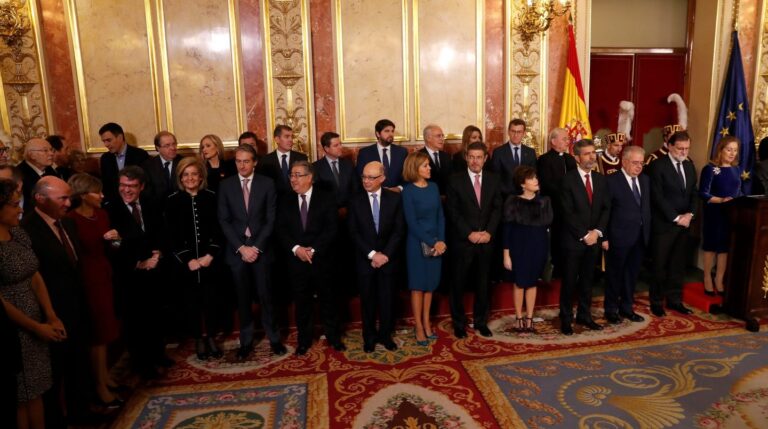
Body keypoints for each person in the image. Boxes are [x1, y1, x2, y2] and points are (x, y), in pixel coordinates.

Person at [21, 177, 89, 425]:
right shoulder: (27, 229)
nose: (69, 203)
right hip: (51, 314)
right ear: (41, 199)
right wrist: (49, 315)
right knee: (55, 375)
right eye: (62, 198)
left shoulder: (67, 224)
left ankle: (80, 414)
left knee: (77, 369)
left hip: (77, 310)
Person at [0, 178, 62, 429]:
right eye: (14, 205)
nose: (20, 209)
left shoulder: (18, 232)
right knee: (20, 397)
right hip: (12, 331)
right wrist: (35, 328)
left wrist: (50, 315)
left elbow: (35, 274)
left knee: (37, 389)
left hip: (38, 323)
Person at [217, 145, 286, 359]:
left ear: (254, 162)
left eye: (246, 161)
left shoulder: (267, 184)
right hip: (237, 252)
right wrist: (241, 248)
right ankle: (246, 341)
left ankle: (274, 338)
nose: (242, 165)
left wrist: (255, 247)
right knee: (243, 298)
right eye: (238, 161)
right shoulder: (226, 185)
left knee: (266, 296)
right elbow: (224, 220)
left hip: (261, 250)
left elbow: (270, 219)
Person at [105, 166, 169, 378]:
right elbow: (112, 248)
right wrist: (138, 263)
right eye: (123, 185)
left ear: (141, 187)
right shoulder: (110, 210)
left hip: (154, 270)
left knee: (156, 316)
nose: (126, 190)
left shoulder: (151, 204)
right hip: (129, 275)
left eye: (132, 186)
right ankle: (143, 365)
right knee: (136, 323)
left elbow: (160, 232)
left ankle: (159, 355)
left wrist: (158, 255)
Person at [65, 173, 122, 406]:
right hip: (87, 279)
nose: (101, 196)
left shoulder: (102, 214)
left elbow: (115, 248)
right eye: (96, 192)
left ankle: (105, 375)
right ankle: (98, 384)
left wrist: (116, 239)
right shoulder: (70, 220)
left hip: (105, 275)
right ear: (83, 196)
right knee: (97, 333)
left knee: (107, 329)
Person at [277, 161, 343, 355]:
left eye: (298, 175)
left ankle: (333, 338)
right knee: (302, 302)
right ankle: (304, 340)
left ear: (310, 177)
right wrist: (297, 249)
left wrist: (313, 249)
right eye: (291, 175)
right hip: (297, 261)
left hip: (322, 259)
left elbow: (332, 229)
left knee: (328, 300)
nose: (293, 179)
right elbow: (280, 229)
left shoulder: (327, 198)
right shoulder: (285, 199)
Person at [166, 158, 224, 360]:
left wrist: (210, 255)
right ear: (180, 178)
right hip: (186, 264)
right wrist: (189, 259)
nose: (190, 178)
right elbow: (171, 236)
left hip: (210, 260)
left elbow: (219, 230)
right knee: (191, 302)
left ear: (201, 177)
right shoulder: (172, 200)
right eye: (186, 175)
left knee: (211, 300)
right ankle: (198, 337)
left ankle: (210, 337)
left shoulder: (211, 197)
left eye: (194, 174)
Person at [445, 142, 501, 339]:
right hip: (463, 241)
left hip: (486, 241)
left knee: (483, 284)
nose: (475, 161)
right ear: (466, 158)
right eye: (472, 157)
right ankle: (459, 324)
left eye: (479, 157)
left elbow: (497, 209)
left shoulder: (494, 180)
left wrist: (489, 232)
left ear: (485, 159)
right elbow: (452, 211)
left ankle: (481, 321)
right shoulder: (455, 180)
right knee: (458, 283)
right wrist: (469, 233)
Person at [348, 161, 405, 352]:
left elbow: (399, 230)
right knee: (368, 301)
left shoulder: (394, 199)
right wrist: (372, 254)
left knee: (388, 300)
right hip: (366, 260)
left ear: (382, 178)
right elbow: (353, 232)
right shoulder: (355, 200)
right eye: (364, 176)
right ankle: (369, 337)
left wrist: (385, 254)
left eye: (371, 177)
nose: (366, 181)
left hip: (388, 260)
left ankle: (386, 336)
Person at [558, 139, 610, 335]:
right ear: (577, 157)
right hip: (574, 240)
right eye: (587, 154)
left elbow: (606, 208)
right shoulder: (567, 180)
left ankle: (584, 315)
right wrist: (583, 234)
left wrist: (597, 232)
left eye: (593, 153)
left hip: (594, 239)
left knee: (588, 280)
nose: (591, 157)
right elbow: (567, 212)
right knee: (570, 280)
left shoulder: (600, 179)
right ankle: (565, 318)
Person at [647, 131, 697, 317]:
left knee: (678, 265)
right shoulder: (657, 166)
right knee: (660, 265)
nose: (683, 152)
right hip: (664, 225)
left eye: (687, 148)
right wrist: (677, 218)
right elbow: (657, 197)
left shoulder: (690, 166)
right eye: (680, 148)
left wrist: (690, 214)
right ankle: (657, 301)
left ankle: (675, 300)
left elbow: (694, 193)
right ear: (669, 146)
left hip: (684, 225)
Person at [401, 151, 446, 345]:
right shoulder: (409, 190)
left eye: (429, 165)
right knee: (418, 286)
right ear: (415, 168)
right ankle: (418, 326)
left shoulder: (434, 187)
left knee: (430, 285)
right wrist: (431, 241)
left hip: (437, 242)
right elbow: (411, 222)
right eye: (425, 165)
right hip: (417, 243)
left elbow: (440, 216)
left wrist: (441, 241)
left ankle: (427, 322)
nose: (429, 168)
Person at [603, 146, 650, 324]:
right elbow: (605, 211)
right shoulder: (611, 181)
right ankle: (611, 309)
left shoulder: (645, 180)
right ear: (624, 162)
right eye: (635, 163)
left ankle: (627, 308)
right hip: (618, 237)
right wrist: (604, 237)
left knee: (632, 274)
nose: (639, 167)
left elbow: (645, 209)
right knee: (615, 274)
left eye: (641, 163)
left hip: (639, 237)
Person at [502, 166, 552, 333]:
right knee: (520, 283)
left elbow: (548, 227)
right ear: (522, 184)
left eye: (536, 177)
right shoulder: (512, 201)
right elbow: (507, 230)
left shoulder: (545, 201)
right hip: (519, 247)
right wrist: (506, 255)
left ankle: (529, 319)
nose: (536, 180)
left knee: (532, 282)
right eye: (531, 178)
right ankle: (518, 318)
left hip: (538, 246)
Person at [699, 136, 743, 296]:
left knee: (724, 248)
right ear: (721, 150)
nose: (732, 153)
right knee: (711, 246)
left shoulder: (736, 169)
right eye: (729, 149)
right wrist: (722, 200)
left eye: (735, 150)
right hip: (715, 213)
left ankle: (719, 279)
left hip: (731, 214)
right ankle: (707, 278)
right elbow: (703, 193)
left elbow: (738, 192)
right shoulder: (710, 169)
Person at [536, 127, 577, 277]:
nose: (568, 141)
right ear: (553, 141)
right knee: (555, 240)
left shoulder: (570, 159)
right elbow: (546, 184)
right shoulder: (544, 159)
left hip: (570, 208)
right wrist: (565, 195)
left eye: (568, 139)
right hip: (553, 207)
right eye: (564, 139)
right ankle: (553, 271)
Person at [99, 123, 149, 204]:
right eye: (104, 141)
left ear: (120, 137)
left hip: (137, 201)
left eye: (108, 140)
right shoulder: (105, 158)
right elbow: (106, 186)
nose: (106, 145)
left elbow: (145, 183)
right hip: (115, 203)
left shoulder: (140, 155)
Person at [356, 119, 408, 191]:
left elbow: (408, 175)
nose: (391, 134)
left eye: (392, 131)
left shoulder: (402, 152)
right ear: (378, 134)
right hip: (373, 195)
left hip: (397, 196)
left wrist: (399, 188)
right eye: (387, 131)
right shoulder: (365, 153)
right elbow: (360, 177)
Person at [313, 131, 360, 209]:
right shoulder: (315, 167)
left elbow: (356, 189)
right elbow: (317, 195)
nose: (340, 147)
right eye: (336, 145)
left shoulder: (348, 164)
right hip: (327, 213)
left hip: (348, 211)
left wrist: (348, 208)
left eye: (340, 144)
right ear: (326, 148)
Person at [492, 119, 537, 197]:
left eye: (519, 132)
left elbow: (533, 176)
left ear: (524, 133)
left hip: (526, 198)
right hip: (505, 198)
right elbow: (495, 178)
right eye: (513, 131)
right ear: (508, 132)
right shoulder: (498, 152)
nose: (516, 135)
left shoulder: (530, 153)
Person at [258, 125, 309, 195]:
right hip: (275, 202)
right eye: (287, 136)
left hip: (296, 200)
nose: (291, 140)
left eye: (292, 137)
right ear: (277, 139)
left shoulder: (301, 158)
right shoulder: (265, 160)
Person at [142, 131, 184, 207]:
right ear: (158, 148)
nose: (172, 148)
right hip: (158, 209)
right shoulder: (148, 166)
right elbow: (147, 193)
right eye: (167, 145)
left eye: (174, 144)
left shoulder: (184, 162)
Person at [18, 138, 58, 212]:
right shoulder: (20, 174)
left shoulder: (50, 169)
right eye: (45, 150)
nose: (51, 153)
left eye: (51, 150)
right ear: (32, 155)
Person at [419, 124, 452, 195]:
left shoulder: (446, 156)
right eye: (438, 136)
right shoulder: (418, 156)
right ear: (428, 138)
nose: (442, 139)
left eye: (442, 136)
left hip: (447, 198)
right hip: (426, 196)